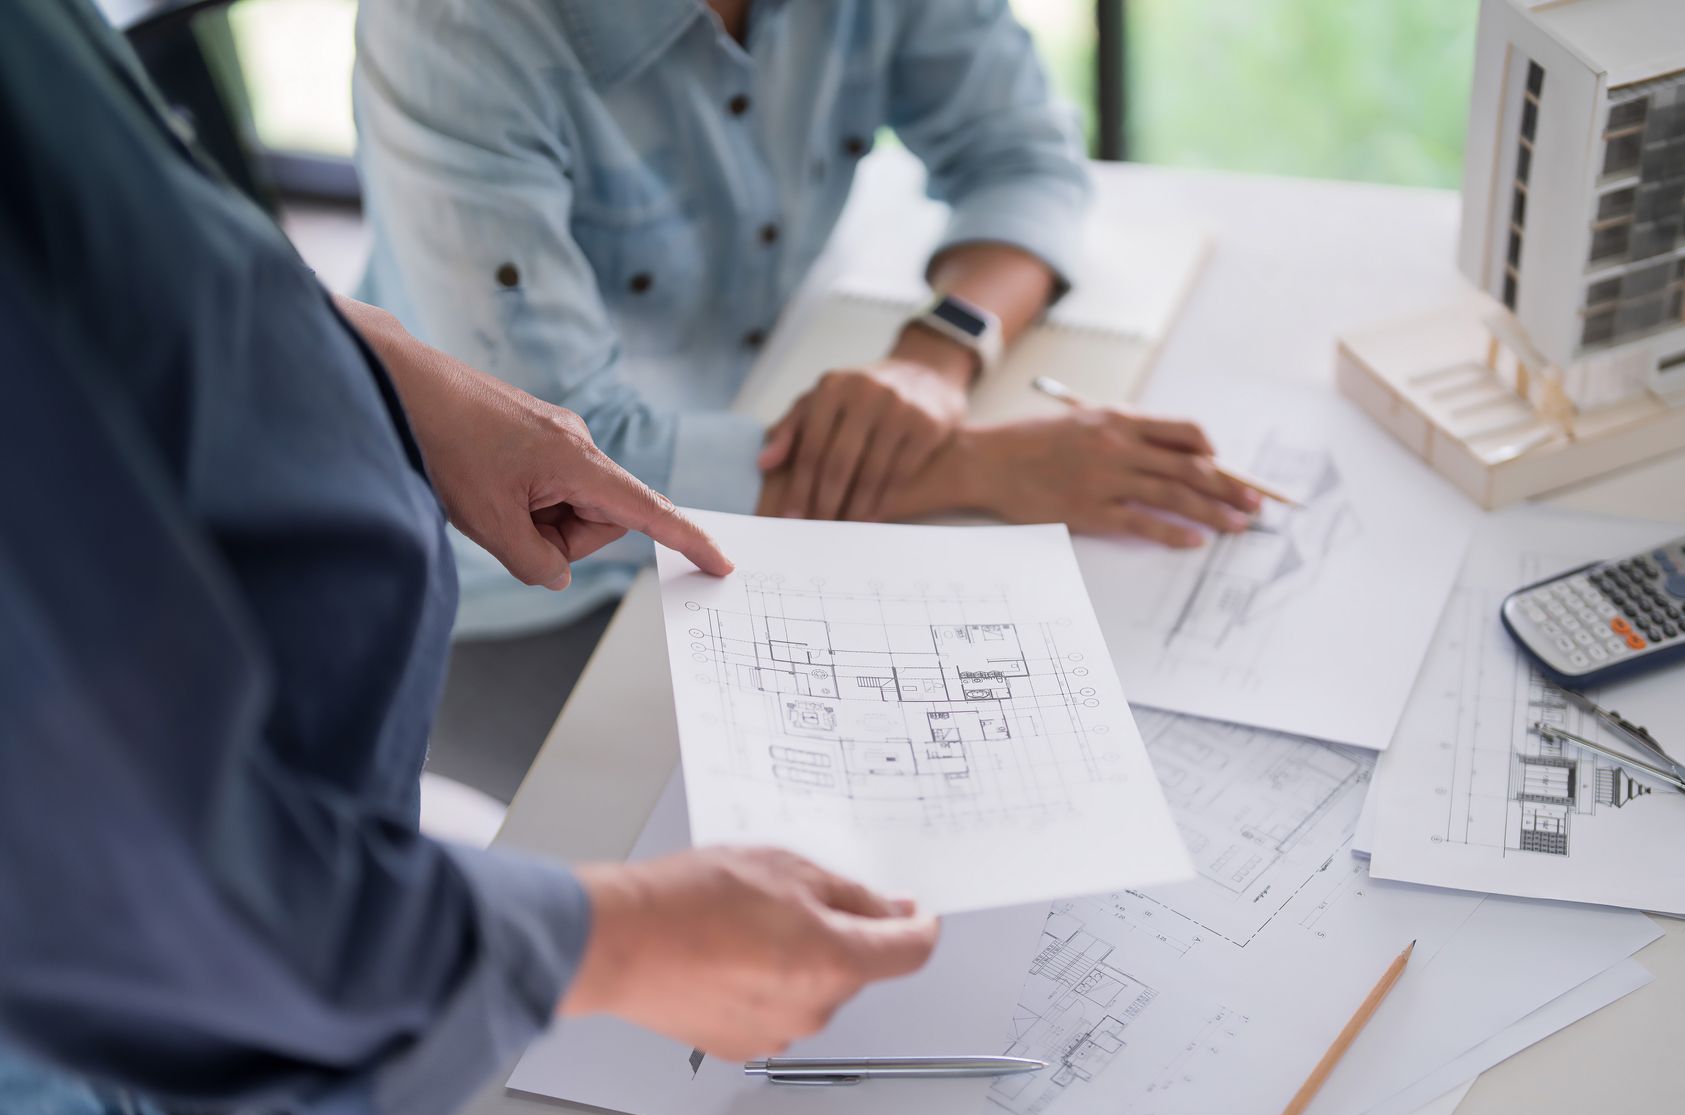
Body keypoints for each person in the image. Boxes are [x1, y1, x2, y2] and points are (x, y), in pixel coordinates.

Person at [0, 2, 937, 1115]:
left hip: (317, 907)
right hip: (155, 1100)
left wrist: (388, 370)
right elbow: (128, 874)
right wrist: (627, 941)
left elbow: (121, 273)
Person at [355, 0, 1261, 637]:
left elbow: (1023, 156)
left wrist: (937, 351)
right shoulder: (453, 27)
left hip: (754, 436)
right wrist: (982, 468)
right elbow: (557, 471)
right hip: (505, 590)